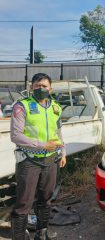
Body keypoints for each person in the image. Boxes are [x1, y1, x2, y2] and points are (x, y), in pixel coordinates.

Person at [10, 73, 67, 240]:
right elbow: (15, 136)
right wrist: (42, 145)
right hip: (29, 161)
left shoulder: (56, 107)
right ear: (31, 87)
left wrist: (63, 152)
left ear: (51, 88)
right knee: (23, 203)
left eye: (44, 86)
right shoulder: (22, 106)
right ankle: (19, 237)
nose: (41, 89)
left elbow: (58, 133)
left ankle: (42, 234)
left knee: (46, 199)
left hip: (51, 160)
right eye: (37, 86)